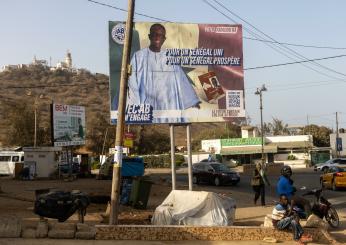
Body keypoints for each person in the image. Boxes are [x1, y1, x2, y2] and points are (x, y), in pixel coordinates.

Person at [126, 23, 200, 122]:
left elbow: (181, 79)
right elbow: (132, 81)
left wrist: (192, 101)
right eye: (154, 34)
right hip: (147, 104)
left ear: (164, 39)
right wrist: (135, 105)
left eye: (160, 35)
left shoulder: (170, 57)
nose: (157, 37)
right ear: (149, 36)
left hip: (168, 104)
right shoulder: (138, 56)